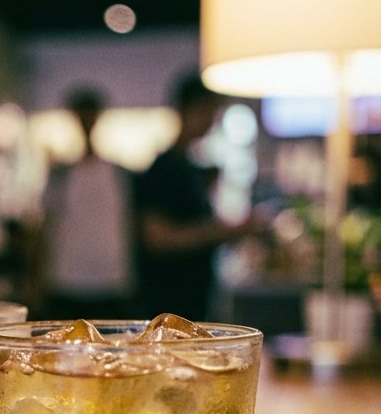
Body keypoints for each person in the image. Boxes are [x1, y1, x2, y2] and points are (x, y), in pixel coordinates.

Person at [132, 72, 264, 322]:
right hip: (170, 304)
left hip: (188, 301)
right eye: (208, 111)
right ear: (188, 110)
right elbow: (157, 238)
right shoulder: (164, 169)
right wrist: (224, 231)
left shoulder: (187, 167)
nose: (211, 121)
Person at [41, 88, 134, 320]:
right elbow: (47, 225)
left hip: (111, 279)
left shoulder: (117, 173)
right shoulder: (61, 174)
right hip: (67, 280)